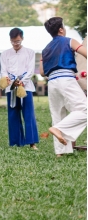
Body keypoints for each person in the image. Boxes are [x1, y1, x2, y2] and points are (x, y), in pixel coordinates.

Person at [39, 17, 87, 157]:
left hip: (52, 83)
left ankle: (60, 152)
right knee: (85, 109)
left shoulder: (45, 49)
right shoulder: (69, 41)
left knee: (57, 114)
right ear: (61, 29)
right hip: (66, 79)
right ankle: (58, 129)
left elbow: (42, 72)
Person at [0, 28, 39, 149]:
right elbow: (3, 70)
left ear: (22, 38)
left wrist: (22, 81)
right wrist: (8, 80)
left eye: (17, 41)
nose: (15, 44)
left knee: (28, 114)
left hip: (25, 86)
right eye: (13, 41)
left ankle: (32, 142)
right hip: (11, 87)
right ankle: (16, 142)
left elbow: (31, 70)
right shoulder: (5, 54)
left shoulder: (30, 52)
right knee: (13, 114)